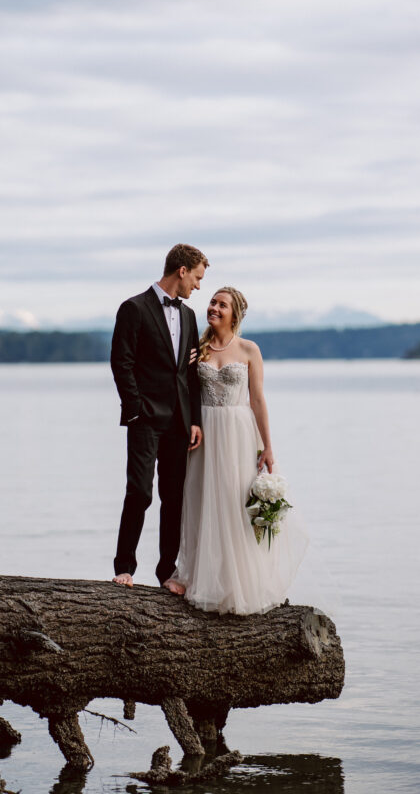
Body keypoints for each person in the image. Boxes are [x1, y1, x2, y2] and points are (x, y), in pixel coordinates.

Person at [175, 286, 308, 614]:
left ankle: (241, 584)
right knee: (201, 500)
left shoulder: (249, 350)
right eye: (212, 302)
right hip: (204, 433)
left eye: (222, 305)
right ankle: (200, 579)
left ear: (235, 314)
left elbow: (258, 399)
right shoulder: (197, 349)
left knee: (236, 503)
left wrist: (268, 447)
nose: (214, 308)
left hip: (237, 434)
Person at [110, 243, 209, 593]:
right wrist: (135, 409)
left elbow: (190, 373)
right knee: (139, 492)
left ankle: (167, 571)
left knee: (174, 497)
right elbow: (121, 362)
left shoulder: (189, 316)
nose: (197, 286)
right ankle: (124, 566)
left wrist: (195, 419)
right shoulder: (133, 308)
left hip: (180, 422)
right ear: (181, 271)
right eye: (196, 278)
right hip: (145, 419)